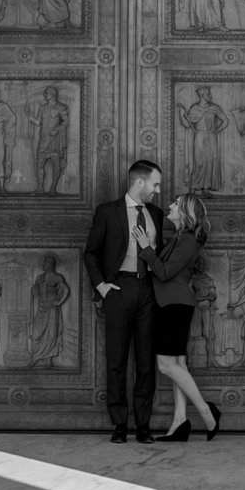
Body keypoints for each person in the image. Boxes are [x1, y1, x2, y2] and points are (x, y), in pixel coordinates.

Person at [81, 160, 167, 443]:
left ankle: (143, 425)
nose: (157, 190)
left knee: (145, 362)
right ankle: (119, 424)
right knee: (116, 361)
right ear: (139, 182)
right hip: (118, 290)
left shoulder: (155, 213)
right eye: (155, 184)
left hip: (148, 292)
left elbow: (161, 255)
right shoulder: (108, 212)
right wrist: (103, 287)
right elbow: (91, 253)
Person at [142, 192, 221, 441]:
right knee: (178, 365)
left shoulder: (188, 239)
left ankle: (208, 414)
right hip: (171, 303)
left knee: (166, 365)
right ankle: (179, 423)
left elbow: (164, 272)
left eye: (175, 204)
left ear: (185, 210)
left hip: (175, 305)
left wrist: (146, 249)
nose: (169, 206)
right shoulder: (180, 238)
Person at [178, 86, 227, 192]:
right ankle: (193, 188)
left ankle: (206, 188)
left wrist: (216, 130)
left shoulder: (214, 108)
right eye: (208, 93)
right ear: (201, 95)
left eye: (210, 93)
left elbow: (226, 121)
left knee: (211, 162)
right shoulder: (195, 108)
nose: (210, 95)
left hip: (211, 137)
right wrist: (181, 114)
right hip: (199, 137)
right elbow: (187, 124)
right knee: (199, 162)